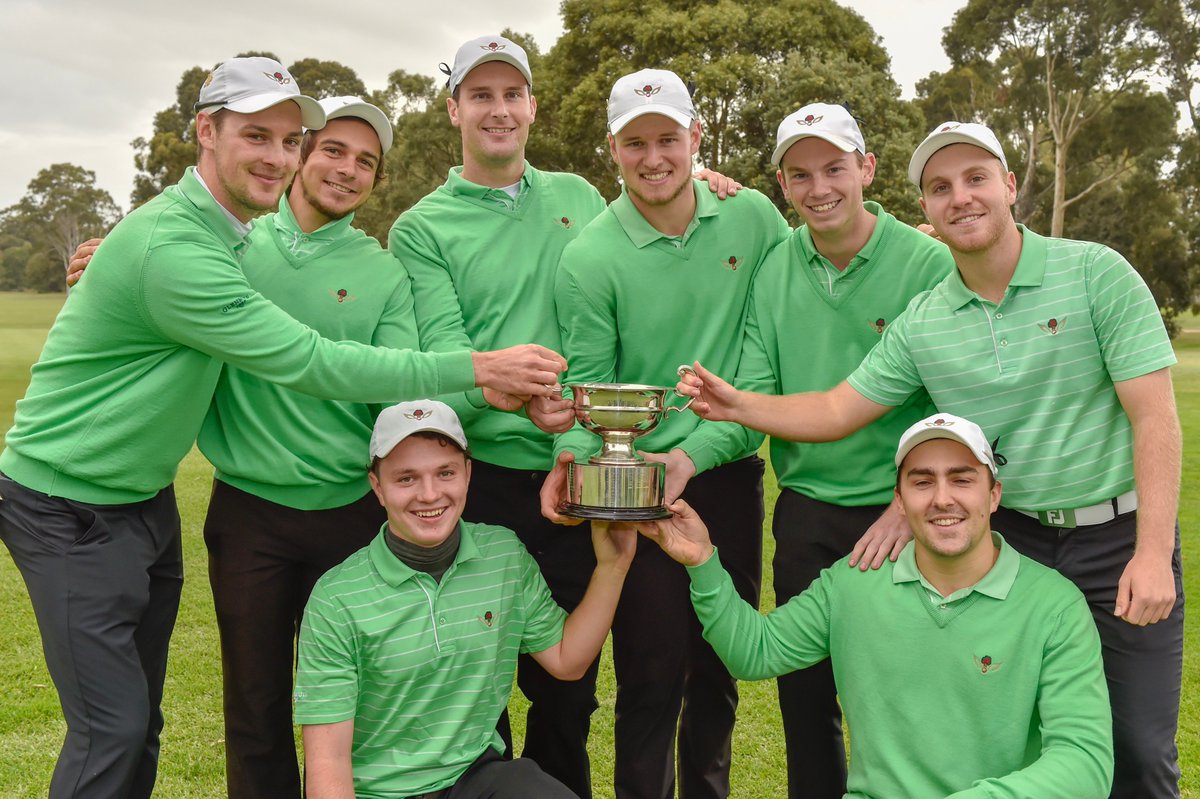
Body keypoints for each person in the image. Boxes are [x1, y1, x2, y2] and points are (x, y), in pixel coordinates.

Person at [0, 57, 563, 799]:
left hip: (258, 506)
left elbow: (401, 383)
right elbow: (309, 357)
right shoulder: (214, 245)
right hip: (151, 506)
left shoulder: (259, 244)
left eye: (360, 158)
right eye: (323, 147)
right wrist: (483, 366)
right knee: (195, 717)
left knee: (170, 719)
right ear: (208, 131)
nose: (335, 166)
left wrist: (494, 395)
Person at [679, 121, 1183, 797]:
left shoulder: (1095, 273)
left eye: (976, 178)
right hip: (1013, 536)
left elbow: (1155, 417)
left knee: (1138, 750)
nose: (960, 197)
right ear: (926, 206)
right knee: (1016, 737)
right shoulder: (926, 320)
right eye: (941, 187)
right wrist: (738, 404)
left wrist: (1151, 552)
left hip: (1115, 537)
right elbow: (837, 408)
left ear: (1009, 185)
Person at [387, 35, 738, 797]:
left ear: (533, 106)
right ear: (453, 109)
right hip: (480, 486)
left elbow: (649, 213)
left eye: (512, 94)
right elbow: (445, 354)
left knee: (568, 693)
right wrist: (510, 393)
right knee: (477, 688)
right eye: (480, 95)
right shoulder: (421, 226)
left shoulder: (580, 196)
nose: (499, 110)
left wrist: (706, 184)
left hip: (579, 474)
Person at [638, 412, 1114, 798]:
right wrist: (703, 561)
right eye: (923, 482)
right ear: (899, 501)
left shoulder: (1054, 605)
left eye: (962, 480)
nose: (942, 498)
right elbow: (754, 652)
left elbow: (1085, 763)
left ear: (993, 496)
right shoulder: (853, 585)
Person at [539, 68, 789, 799]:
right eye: (636, 143)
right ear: (612, 148)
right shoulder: (589, 257)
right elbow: (589, 385)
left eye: (668, 139)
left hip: (727, 473)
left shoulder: (754, 219)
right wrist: (570, 460)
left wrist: (692, 455)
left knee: (717, 672)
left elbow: (764, 361)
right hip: (635, 484)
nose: (654, 158)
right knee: (649, 677)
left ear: (696, 138)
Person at [727, 102, 955, 797]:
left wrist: (905, 507)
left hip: (906, 516)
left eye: (834, 168)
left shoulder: (928, 261)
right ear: (782, 184)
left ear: (867, 168)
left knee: (912, 702)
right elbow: (758, 391)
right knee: (806, 701)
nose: (819, 187)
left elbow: (956, 406)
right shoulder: (773, 268)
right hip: (806, 514)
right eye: (800, 174)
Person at [294, 399, 635, 799]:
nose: (429, 494)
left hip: (474, 778)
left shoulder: (503, 555)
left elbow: (566, 660)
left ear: (468, 474)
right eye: (406, 478)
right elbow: (328, 764)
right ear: (377, 487)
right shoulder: (336, 598)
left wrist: (613, 567)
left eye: (445, 473)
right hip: (380, 792)